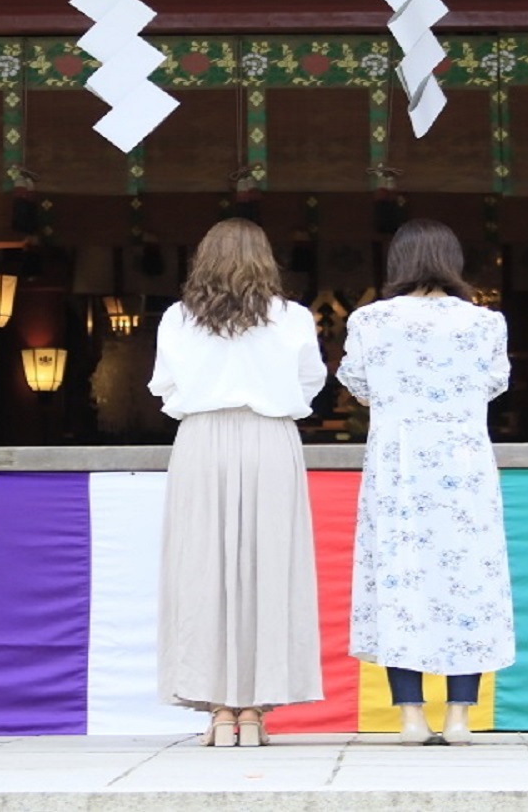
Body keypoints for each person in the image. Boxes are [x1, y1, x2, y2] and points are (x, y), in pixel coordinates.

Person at [148, 217, 328, 748]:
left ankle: (219, 711)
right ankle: (254, 710)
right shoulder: (292, 317)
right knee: (269, 570)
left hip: (202, 441)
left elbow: (164, 386)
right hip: (271, 439)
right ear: (265, 261)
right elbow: (310, 383)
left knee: (202, 571)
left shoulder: (179, 318)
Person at [337, 218, 514, 746]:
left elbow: (359, 387)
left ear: (398, 264)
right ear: (453, 261)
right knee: (469, 584)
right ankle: (460, 716)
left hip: (399, 467)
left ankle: (410, 716)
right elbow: (493, 385)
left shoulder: (371, 321)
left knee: (400, 583)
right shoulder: (487, 324)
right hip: (464, 468)